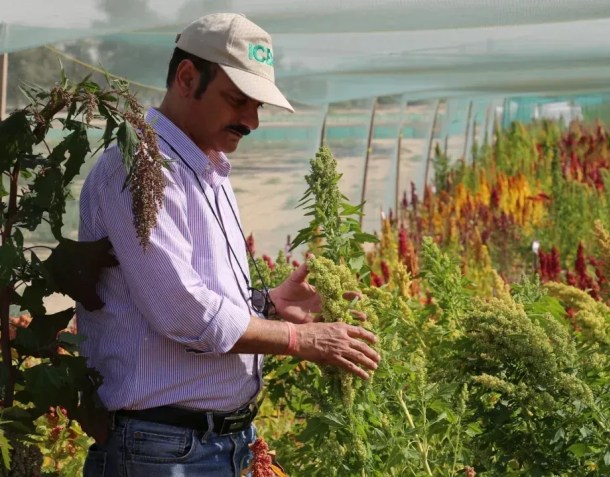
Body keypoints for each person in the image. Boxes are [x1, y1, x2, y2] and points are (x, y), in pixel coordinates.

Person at [76, 13, 381, 476]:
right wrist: (302, 339)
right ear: (186, 77)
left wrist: (269, 305)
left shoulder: (205, 167)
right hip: (160, 450)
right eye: (238, 100)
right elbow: (183, 310)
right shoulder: (140, 167)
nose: (252, 120)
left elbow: (188, 294)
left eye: (258, 105)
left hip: (217, 445)